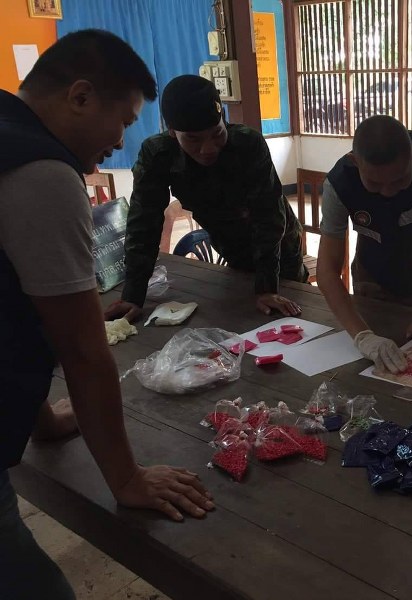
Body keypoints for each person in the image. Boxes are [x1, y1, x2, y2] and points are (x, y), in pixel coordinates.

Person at [0, 30, 214, 599]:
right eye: (123, 120)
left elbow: (12, 310)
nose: (120, 141)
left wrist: (42, 421)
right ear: (79, 96)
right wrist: (126, 478)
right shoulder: (43, 173)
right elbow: (82, 347)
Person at [104, 75, 306, 323]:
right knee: (239, 312)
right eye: (193, 139)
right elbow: (143, 225)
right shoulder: (158, 154)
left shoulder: (247, 144)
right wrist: (133, 296)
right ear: (172, 132)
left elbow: (268, 217)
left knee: (292, 311)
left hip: (279, 245)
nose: (208, 148)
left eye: (217, 133)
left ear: (223, 120)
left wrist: (267, 288)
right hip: (229, 243)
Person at [317, 115, 412, 373]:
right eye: (374, 184)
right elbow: (327, 270)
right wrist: (363, 337)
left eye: (399, 180)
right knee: (375, 369)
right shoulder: (338, 185)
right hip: (372, 279)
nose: (388, 191)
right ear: (355, 161)